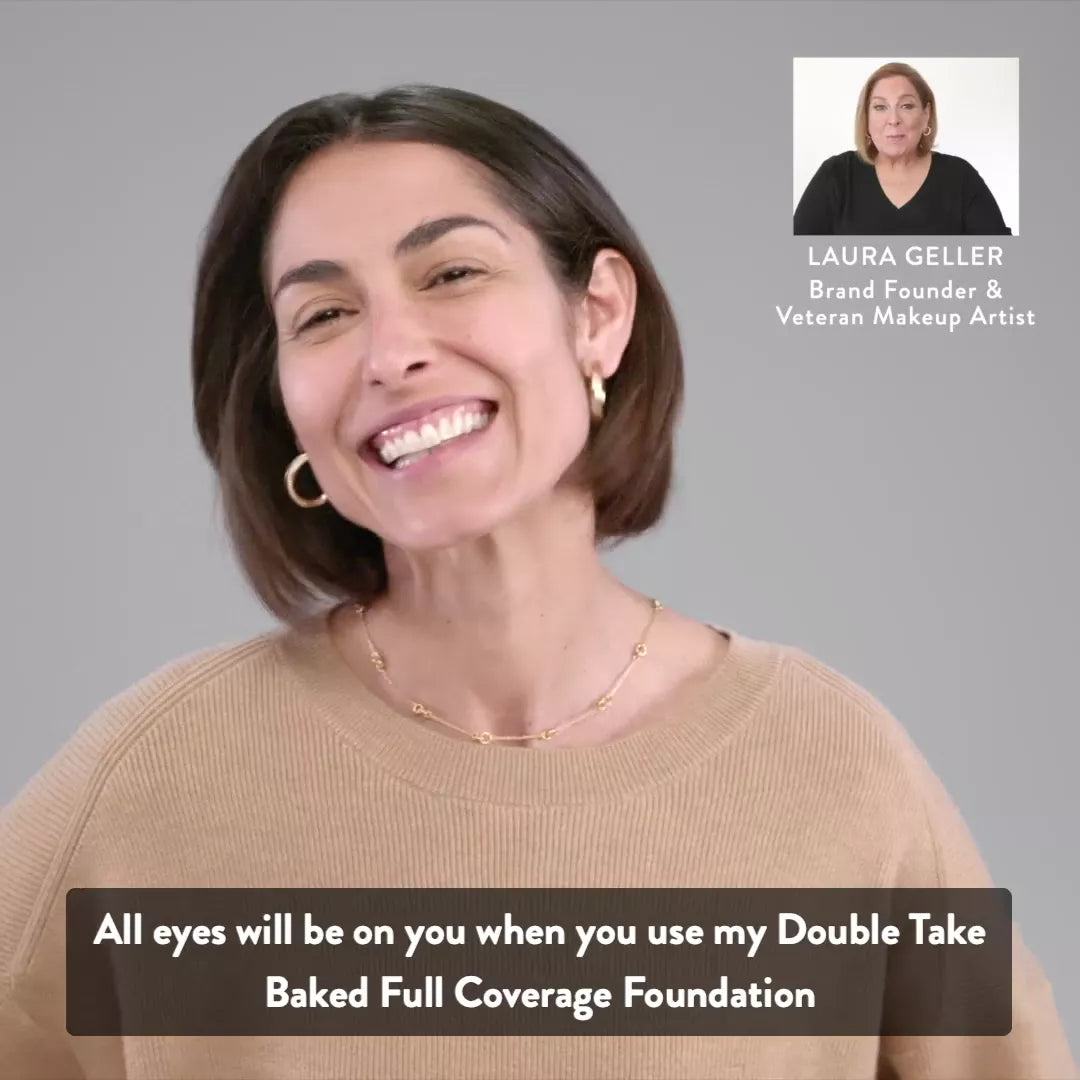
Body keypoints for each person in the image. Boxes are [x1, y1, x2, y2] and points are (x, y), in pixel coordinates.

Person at [0, 84, 1073, 1079]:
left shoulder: (834, 765)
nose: (390, 353)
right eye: (323, 315)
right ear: (282, 402)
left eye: (451, 273)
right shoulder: (151, 785)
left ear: (598, 314)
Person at [794, 62, 1012, 235]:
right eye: (880, 107)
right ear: (866, 118)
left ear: (926, 114)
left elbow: (1001, 262)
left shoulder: (960, 177)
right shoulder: (837, 175)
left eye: (906, 106)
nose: (893, 120)